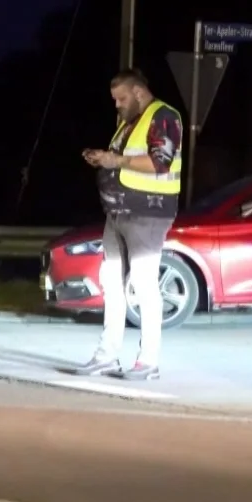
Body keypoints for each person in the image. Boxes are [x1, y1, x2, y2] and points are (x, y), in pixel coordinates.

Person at [73, 68, 184, 381]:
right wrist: (103, 158)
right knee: (112, 283)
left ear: (138, 92)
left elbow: (160, 162)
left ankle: (148, 361)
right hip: (118, 213)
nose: (117, 104)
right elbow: (121, 159)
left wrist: (116, 161)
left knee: (144, 284)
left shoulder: (163, 115)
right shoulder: (129, 122)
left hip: (148, 213)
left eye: (121, 98)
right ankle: (106, 356)